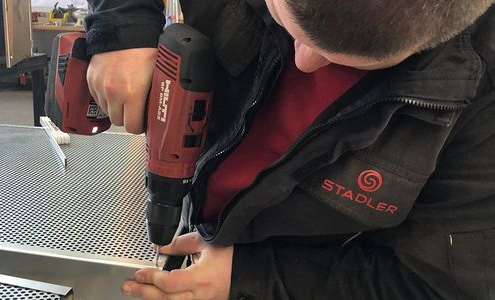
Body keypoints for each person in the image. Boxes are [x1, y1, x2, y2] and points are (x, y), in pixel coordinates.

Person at [85, 0, 495, 299]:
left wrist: (251, 279)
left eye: (350, 62)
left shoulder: (481, 91)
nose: (304, 61)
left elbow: (441, 284)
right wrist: (121, 30)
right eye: (291, 26)